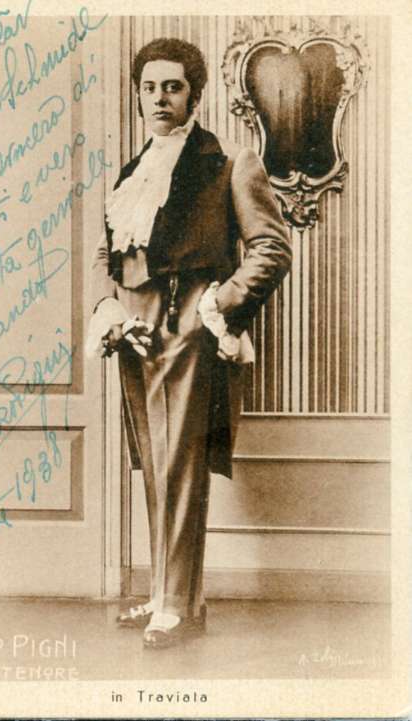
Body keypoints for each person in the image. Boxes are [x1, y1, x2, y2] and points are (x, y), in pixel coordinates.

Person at [86, 37, 291, 649]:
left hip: (187, 324)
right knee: (156, 464)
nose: (160, 99)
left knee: (180, 462)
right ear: (138, 95)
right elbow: (107, 253)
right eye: (149, 88)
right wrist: (108, 309)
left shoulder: (229, 162)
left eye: (172, 87)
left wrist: (218, 306)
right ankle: (171, 596)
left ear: (193, 95)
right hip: (132, 330)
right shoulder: (134, 171)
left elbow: (272, 248)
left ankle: (176, 604)